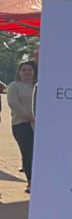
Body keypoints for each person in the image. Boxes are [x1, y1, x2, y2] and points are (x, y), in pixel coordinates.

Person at [8, 60, 37, 193]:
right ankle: (31, 182)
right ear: (19, 72)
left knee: (39, 154)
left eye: (29, 70)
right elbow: (14, 103)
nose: (27, 72)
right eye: (23, 70)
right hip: (21, 125)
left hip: (39, 126)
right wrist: (28, 116)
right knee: (28, 153)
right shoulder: (14, 86)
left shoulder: (38, 86)